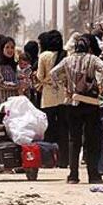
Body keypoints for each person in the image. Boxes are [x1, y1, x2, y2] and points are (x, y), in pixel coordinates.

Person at [51, 35, 103, 184]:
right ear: (88, 47)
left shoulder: (67, 60)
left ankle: (73, 176)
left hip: (72, 102)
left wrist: (63, 84)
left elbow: (53, 73)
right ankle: (93, 175)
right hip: (90, 102)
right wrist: (100, 84)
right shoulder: (91, 59)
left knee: (74, 140)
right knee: (91, 140)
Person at [37, 30, 68, 168]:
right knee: (63, 129)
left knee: (49, 128)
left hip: (48, 97)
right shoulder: (65, 55)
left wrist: (46, 80)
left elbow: (39, 76)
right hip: (63, 96)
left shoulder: (43, 56)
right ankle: (64, 160)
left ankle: (49, 160)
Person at [0, 37, 22, 105]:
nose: (10, 50)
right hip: (3, 103)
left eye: (12, 47)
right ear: (2, 49)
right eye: (7, 47)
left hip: (14, 103)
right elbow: (0, 84)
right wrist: (18, 85)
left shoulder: (12, 64)